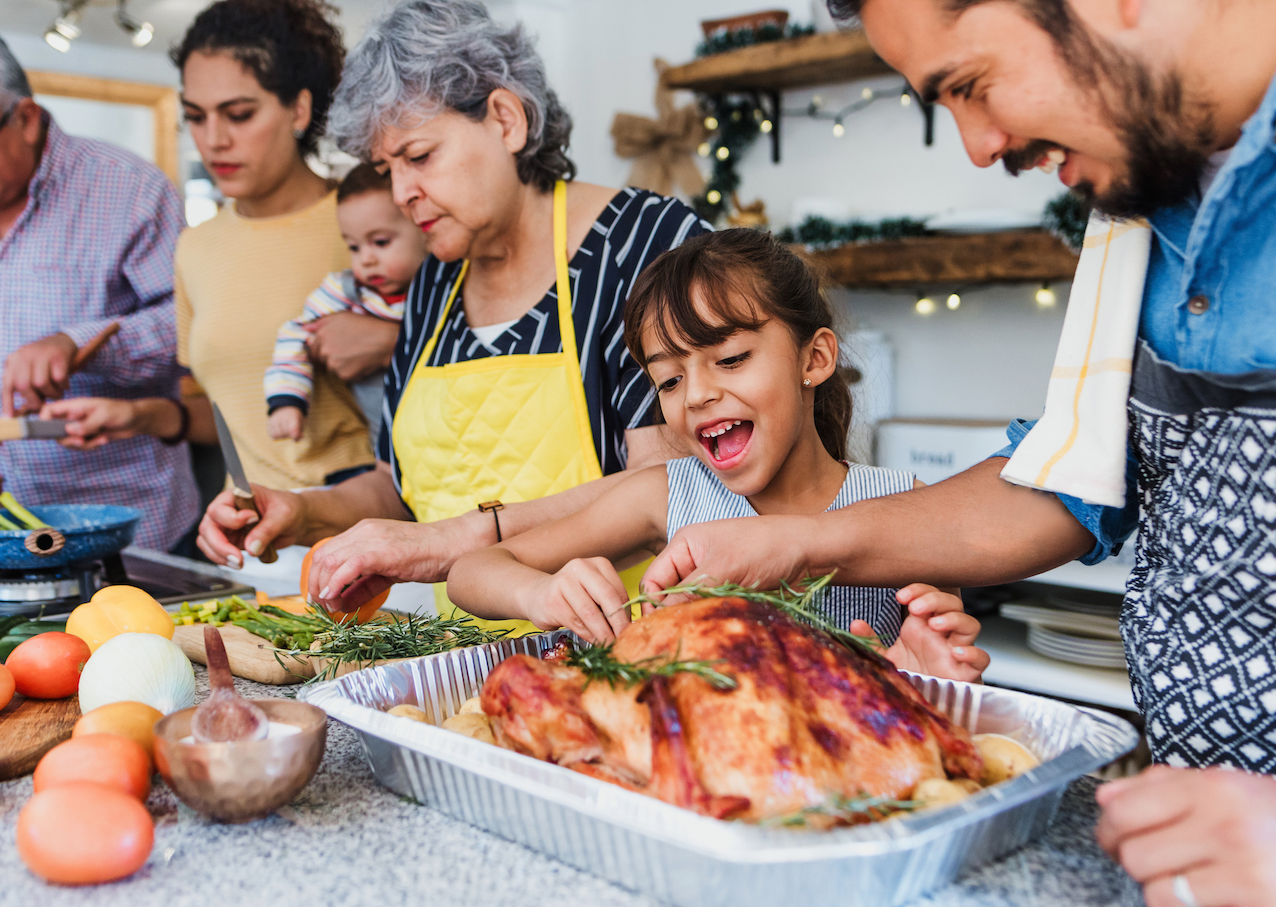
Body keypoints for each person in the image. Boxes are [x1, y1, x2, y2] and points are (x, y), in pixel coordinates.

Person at [639, 0, 1276, 902]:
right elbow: (1067, 482)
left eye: (970, 85)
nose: (979, 147)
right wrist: (801, 542)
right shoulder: (1145, 203)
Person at [197, 0, 711, 634]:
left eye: (419, 156)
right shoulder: (438, 276)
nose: (400, 194)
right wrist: (301, 513)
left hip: (632, 643)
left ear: (505, 119)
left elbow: (668, 489)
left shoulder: (645, 247)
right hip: (466, 658)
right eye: (387, 170)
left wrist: (450, 543)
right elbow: (398, 490)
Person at [448, 230, 989, 681]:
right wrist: (540, 592)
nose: (696, 395)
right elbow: (472, 571)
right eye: (669, 379)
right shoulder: (667, 496)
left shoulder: (904, 507)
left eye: (730, 359)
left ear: (816, 357)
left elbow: (932, 688)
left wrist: (933, 679)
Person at [44, 0, 382, 493]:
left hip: (362, 527)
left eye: (239, 114)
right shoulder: (196, 248)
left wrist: (390, 341)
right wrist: (139, 415)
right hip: (250, 533)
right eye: (195, 117)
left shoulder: (365, 227)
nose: (213, 140)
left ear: (299, 109)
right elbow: (235, 413)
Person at [0, 22, 195, 551]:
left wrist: (79, 343)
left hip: (120, 525)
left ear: (25, 117)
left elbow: (193, 325)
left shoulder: (132, 190)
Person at [266, 163, 427, 442]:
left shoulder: (447, 288)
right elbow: (295, 334)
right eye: (353, 246)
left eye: (380, 242)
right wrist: (286, 401)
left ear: (423, 228)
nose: (366, 258)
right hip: (384, 441)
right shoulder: (343, 292)